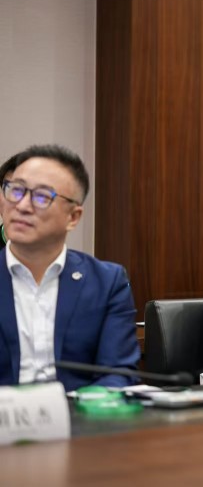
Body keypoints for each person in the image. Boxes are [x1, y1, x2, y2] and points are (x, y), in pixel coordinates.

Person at [0, 144, 140, 390]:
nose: (22, 206)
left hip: (79, 413)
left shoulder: (107, 283)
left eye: (42, 197)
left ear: (73, 217)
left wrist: (70, 409)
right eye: (16, 190)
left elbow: (118, 374)